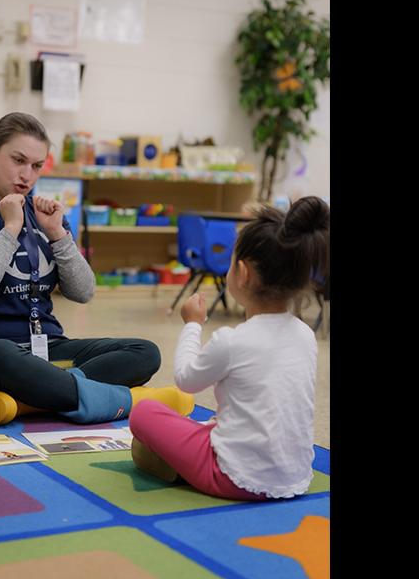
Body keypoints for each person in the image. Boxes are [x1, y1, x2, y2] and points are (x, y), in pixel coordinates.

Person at [0, 112, 194, 426]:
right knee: (1, 353)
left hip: (47, 350)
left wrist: (57, 234)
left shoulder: (45, 215)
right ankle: (127, 401)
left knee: (144, 351)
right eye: (18, 160)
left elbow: (83, 292)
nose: (27, 175)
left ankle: (32, 398)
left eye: (37, 166)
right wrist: (11, 228)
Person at [129, 197, 329, 500]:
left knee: (144, 412)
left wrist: (192, 324)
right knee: (213, 424)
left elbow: (185, 380)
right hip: (296, 477)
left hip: (232, 477)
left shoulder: (232, 341)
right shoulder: (305, 334)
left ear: (243, 272)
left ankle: (173, 463)